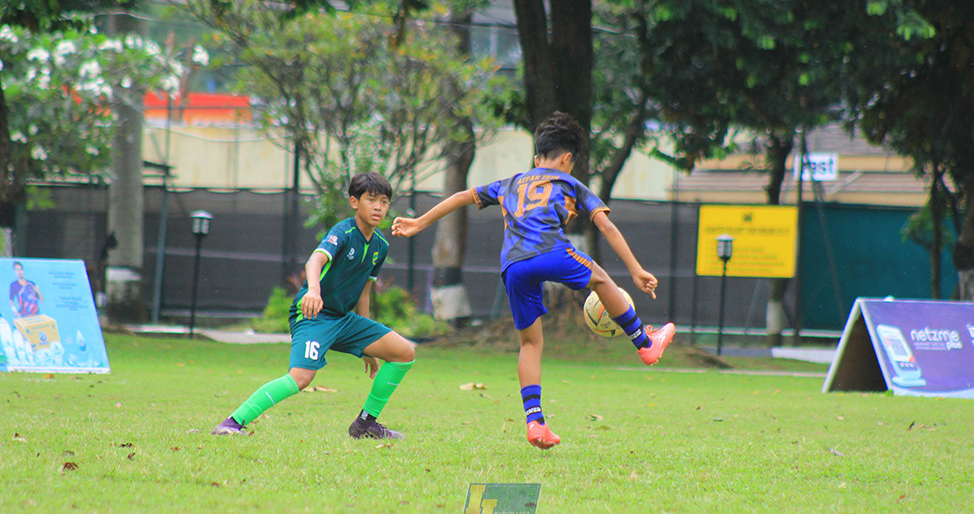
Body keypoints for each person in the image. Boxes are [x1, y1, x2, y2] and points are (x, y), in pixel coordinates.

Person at [392, 112, 675, 450]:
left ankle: (535, 423)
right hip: (550, 250)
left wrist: (419, 223)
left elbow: (460, 198)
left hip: (512, 266)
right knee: (600, 278)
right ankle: (644, 343)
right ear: (567, 159)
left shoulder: (511, 182)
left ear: (536, 156)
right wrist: (636, 270)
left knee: (530, 344)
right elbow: (606, 227)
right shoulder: (569, 182)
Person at [212, 172, 416, 439]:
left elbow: (364, 294)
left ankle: (366, 424)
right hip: (313, 315)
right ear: (355, 202)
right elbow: (315, 261)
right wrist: (313, 291)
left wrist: (368, 347)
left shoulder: (380, 245)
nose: (378, 207)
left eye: (385, 201)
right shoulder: (343, 231)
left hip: (344, 319)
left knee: (404, 352)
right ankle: (232, 423)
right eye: (371, 199)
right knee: (301, 379)